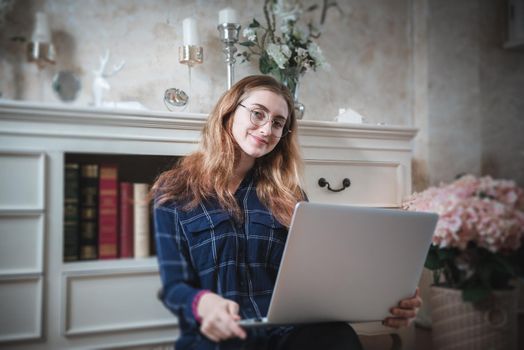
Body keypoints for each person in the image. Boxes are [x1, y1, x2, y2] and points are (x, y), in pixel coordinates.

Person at [152, 75, 421, 350]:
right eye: (258, 114)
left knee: (338, 337)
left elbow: (319, 279)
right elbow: (174, 288)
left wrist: (385, 300)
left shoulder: (290, 195)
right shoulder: (174, 190)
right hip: (217, 338)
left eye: (278, 123)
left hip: (284, 336)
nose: (267, 130)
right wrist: (202, 303)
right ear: (229, 111)